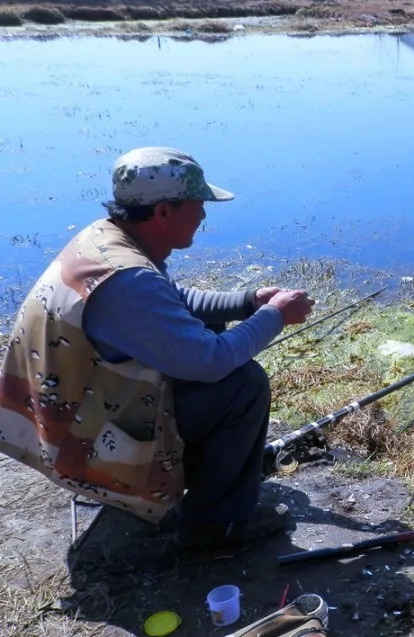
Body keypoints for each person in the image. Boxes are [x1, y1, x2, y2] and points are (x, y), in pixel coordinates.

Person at [0, 147, 315, 548]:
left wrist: (248, 301)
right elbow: (211, 361)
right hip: (82, 448)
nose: (203, 215)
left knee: (208, 329)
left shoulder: (106, 239)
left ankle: (199, 479)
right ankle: (216, 526)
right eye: (198, 204)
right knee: (243, 384)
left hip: (63, 423)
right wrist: (274, 316)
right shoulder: (128, 282)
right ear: (164, 211)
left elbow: (168, 300)